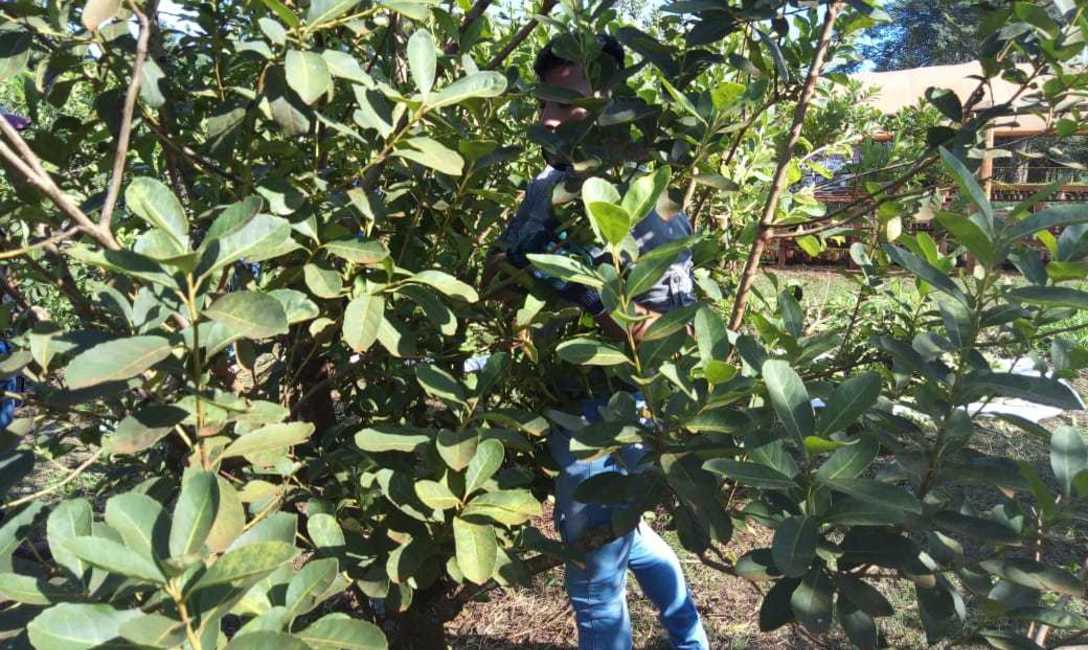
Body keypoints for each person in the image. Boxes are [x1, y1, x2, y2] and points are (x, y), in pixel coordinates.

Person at [485, 34, 709, 650]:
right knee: (625, 536)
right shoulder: (546, 187)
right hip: (565, 399)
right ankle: (692, 643)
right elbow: (498, 279)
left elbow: (660, 332)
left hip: (621, 410)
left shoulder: (649, 201)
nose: (551, 117)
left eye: (569, 100)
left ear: (612, 102)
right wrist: (522, 265)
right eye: (545, 102)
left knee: (592, 574)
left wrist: (585, 283)